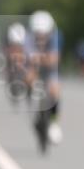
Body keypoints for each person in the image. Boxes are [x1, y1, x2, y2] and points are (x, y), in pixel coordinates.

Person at [25, 11, 63, 144]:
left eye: (44, 35)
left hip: (50, 68)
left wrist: (41, 59)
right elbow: (29, 59)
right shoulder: (28, 38)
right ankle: (32, 103)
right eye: (38, 35)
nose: (41, 38)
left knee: (55, 90)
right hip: (34, 66)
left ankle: (54, 123)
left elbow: (55, 59)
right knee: (29, 78)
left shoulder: (56, 36)